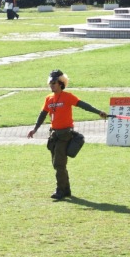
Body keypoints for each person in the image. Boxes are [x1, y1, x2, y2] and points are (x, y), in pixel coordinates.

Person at [27, 70, 107, 200]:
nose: (51, 85)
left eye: (54, 83)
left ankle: (60, 190)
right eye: (50, 83)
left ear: (61, 83)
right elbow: (43, 114)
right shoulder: (48, 98)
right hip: (54, 135)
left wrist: (98, 112)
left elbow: (83, 105)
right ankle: (66, 190)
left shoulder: (68, 97)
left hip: (65, 135)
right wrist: (35, 129)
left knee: (59, 164)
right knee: (58, 164)